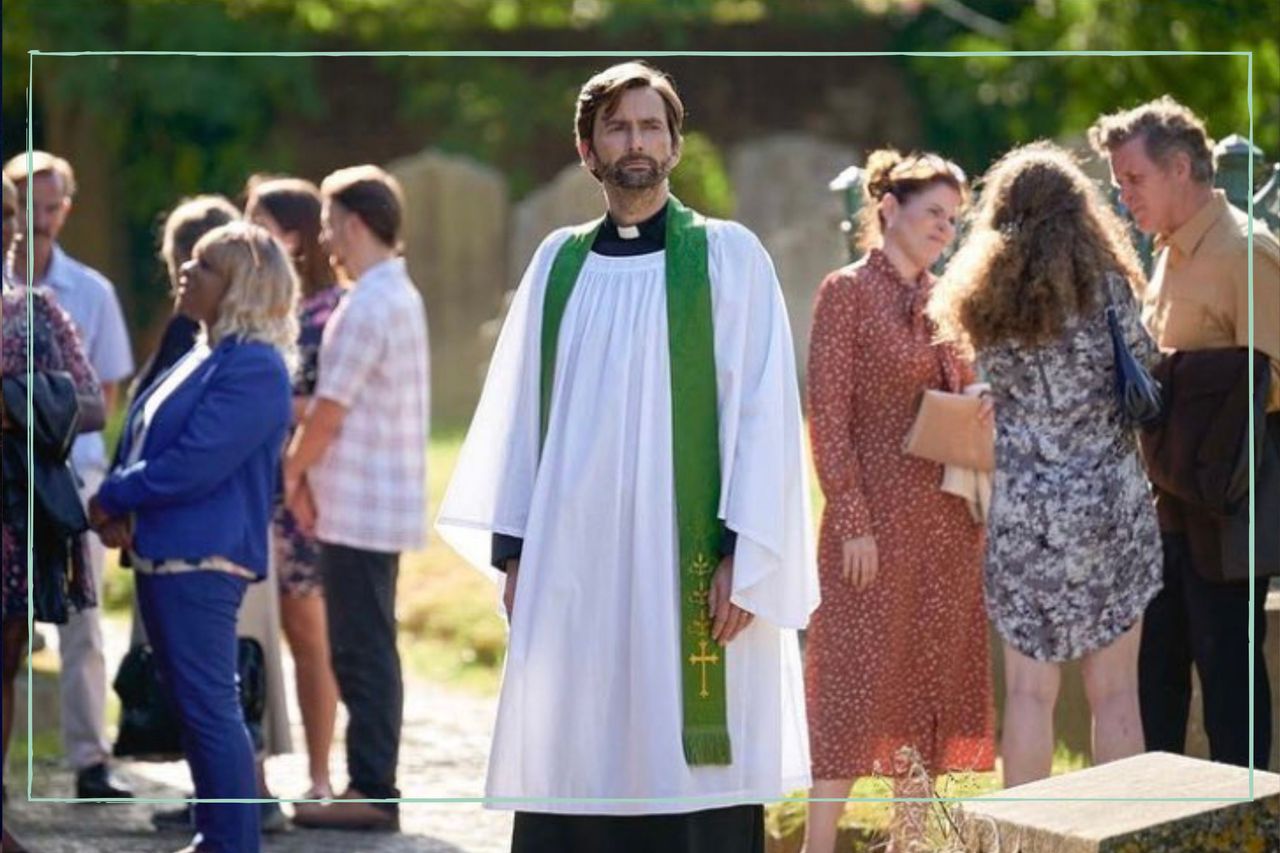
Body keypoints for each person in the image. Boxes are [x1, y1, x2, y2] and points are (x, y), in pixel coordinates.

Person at [437, 61, 818, 853]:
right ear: (588, 149)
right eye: (617, 126)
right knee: (580, 746)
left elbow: (764, 414)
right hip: (577, 566)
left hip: (693, 568)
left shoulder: (729, 259)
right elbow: (519, 416)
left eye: (651, 126)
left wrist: (743, 554)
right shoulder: (558, 265)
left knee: (690, 767)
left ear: (675, 146)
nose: (635, 142)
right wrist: (515, 553)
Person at [928, 141, 1163, 787]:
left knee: (1030, 694)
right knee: (1116, 693)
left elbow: (989, 384)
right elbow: (1146, 364)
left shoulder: (984, 301)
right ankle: (1122, 834)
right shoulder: (1108, 288)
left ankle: (1025, 838)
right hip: (1110, 506)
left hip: (1024, 510)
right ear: (1081, 213)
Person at [803, 149, 994, 852]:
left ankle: (909, 844)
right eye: (932, 213)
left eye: (954, 217)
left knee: (923, 702)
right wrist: (851, 518)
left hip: (946, 530)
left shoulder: (950, 301)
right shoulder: (845, 292)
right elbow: (828, 412)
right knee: (850, 696)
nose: (946, 227)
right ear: (888, 209)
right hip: (872, 530)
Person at [89, 222, 297, 853]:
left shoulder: (254, 367)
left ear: (239, 286)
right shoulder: (205, 353)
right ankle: (217, 835)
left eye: (204, 267)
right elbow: (149, 436)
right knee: (197, 709)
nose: (186, 273)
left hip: (201, 558)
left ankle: (232, 841)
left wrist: (115, 494)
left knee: (210, 711)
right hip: (167, 550)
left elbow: (194, 461)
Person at [1089, 96, 1280, 770]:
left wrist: (1185, 385)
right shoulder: (1166, 256)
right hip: (1164, 502)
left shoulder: (1245, 251)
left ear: (1179, 169)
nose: (1123, 194)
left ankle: (1251, 822)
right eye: (1116, 181)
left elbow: (1273, 383)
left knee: (1228, 676)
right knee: (1156, 676)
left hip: (1229, 505)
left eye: (1132, 179)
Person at [285, 164, 428, 832]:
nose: (325, 239)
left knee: (362, 650)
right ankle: (367, 781)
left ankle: (373, 786)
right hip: (368, 501)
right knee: (366, 645)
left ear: (351, 223)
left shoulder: (370, 301)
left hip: (362, 506)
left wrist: (291, 475)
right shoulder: (390, 294)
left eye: (329, 224)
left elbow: (328, 411)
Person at [3, 151, 135, 800]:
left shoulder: (89, 293)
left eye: (52, 206)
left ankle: (90, 759)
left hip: (68, 479)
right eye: (26, 206)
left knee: (81, 626)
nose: (38, 220)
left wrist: (22, 404)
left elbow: (101, 399)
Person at [1, 171, 104, 853]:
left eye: (9, 214)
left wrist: (16, 401)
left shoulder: (34, 310)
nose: (13, 224)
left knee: (2, 666)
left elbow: (92, 402)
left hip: (10, 515)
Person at [245, 175, 341, 801]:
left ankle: (318, 775)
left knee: (310, 635)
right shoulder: (254, 309)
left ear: (295, 236)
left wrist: (295, 468)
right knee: (252, 636)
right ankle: (244, 778)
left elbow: (322, 403)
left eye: (258, 221)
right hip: (254, 491)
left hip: (302, 497)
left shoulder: (329, 314)